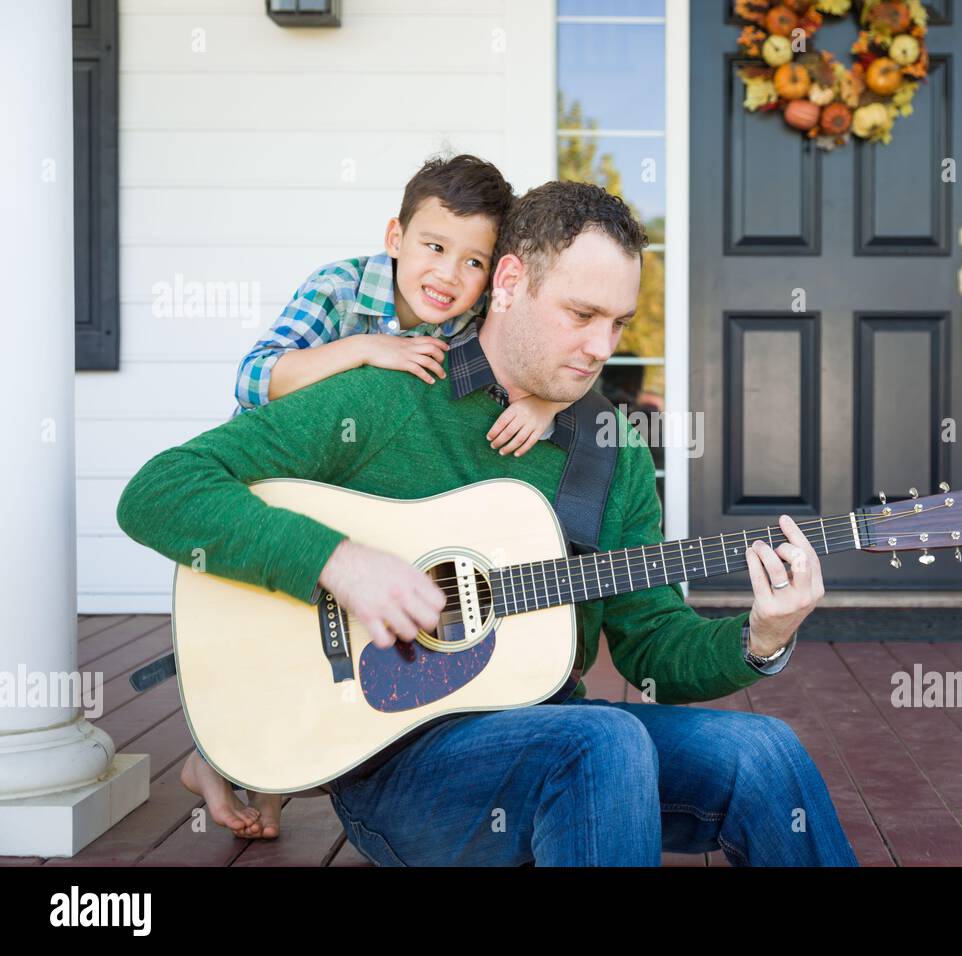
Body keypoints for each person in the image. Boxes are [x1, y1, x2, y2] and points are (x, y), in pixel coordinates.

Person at [117, 180, 858, 866]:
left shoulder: (612, 450)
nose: (604, 348)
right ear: (508, 284)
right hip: (399, 764)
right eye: (581, 315)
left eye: (619, 323)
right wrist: (338, 561)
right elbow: (160, 490)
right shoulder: (386, 397)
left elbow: (651, 646)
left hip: (552, 730)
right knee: (601, 741)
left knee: (767, 752)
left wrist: (760, 639)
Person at [182, 154, 571, 840]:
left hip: (357, 504)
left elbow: (530, 350)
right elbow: (253, 378)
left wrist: (543, 400)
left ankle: (268, 769)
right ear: (395, 237)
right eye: (433, 247)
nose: (449, 276)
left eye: (474, 262)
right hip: (276, 490)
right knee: (248, 621)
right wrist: (365, 348)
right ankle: (214, 756)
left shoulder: (472, 313)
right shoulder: (339, 290)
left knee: (313, 640)